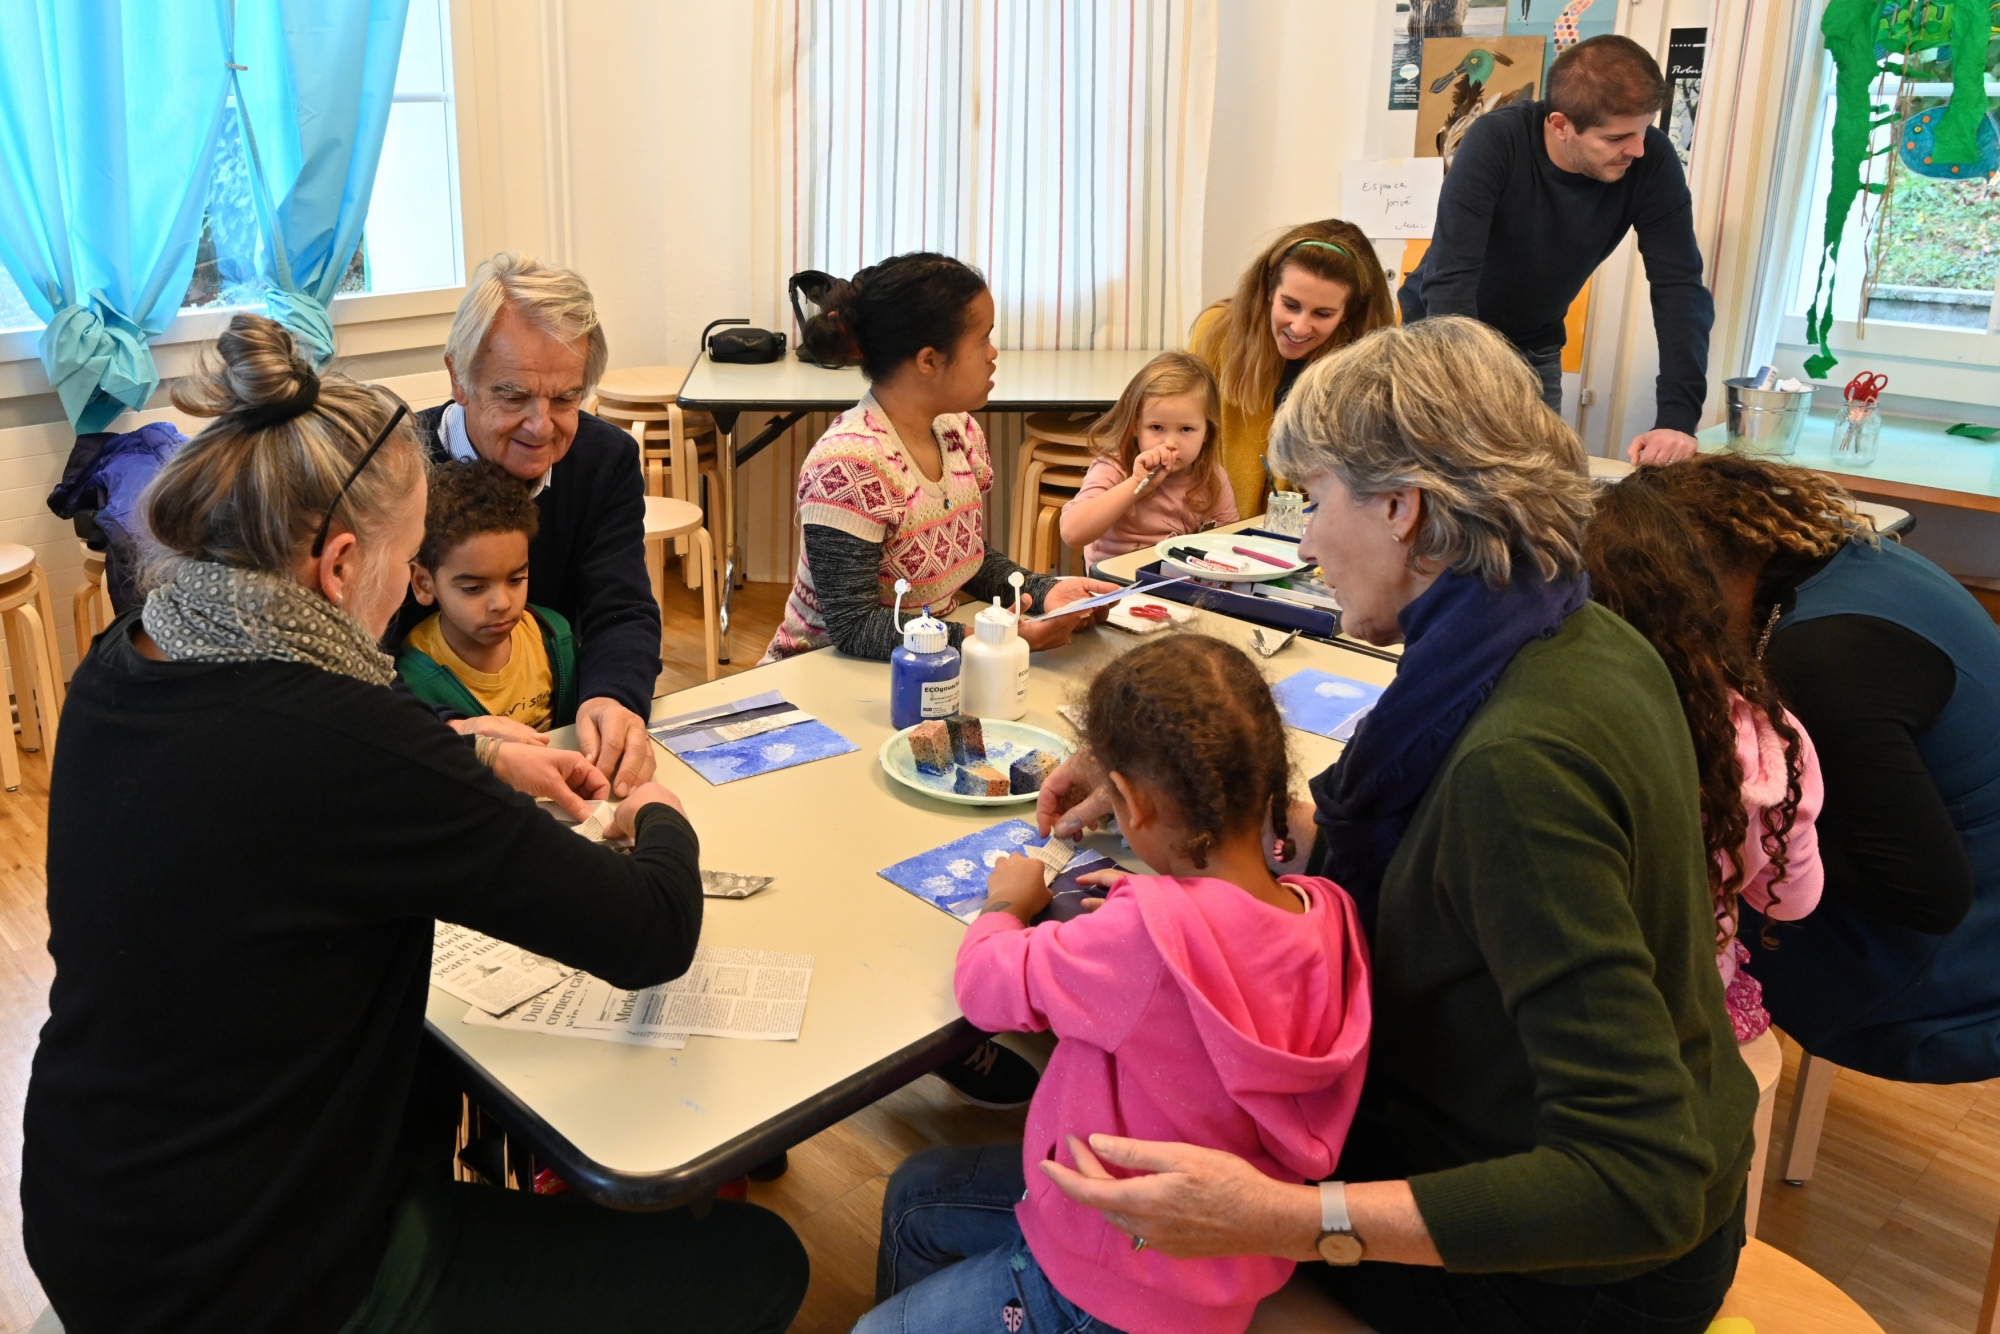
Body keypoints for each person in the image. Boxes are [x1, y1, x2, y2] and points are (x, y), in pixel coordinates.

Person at [21, 315, 808, 1334]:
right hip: (260, 1279)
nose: (405, 600)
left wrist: (478, 748)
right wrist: (657, 812)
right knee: (757, 1262)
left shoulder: (127, 658)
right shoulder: (348, 738)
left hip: (97, 1214)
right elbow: (647, 930)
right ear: (343, 564)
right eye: (408, 569)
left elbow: (274, 805)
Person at [1029, 316, 1756, 1334]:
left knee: (1093, 1130)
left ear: (1402, 508)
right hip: (1575, 1180)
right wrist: (1176, 791)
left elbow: (1640, 1179)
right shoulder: (1563, 631)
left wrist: (1286, 1217)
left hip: (1574, 1277)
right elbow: (1438, 867)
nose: (1307, 540)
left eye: (1314, 502)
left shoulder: (1518, 763)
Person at [861, 635, 1369, 1334]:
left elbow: (986, 987)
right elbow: (1215, 954)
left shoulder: (1142, 941)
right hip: (1220, 1264)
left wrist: (1007, 904)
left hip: (1107, 1284)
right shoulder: (1326, 913)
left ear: (1127, 802)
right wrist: (1158, 902)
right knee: (918, 1195)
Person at [764, 251, 1119, 1110]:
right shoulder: (848, 462)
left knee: (946, 857)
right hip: (831, 690)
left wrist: (1033, 589)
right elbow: (849, 624)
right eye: (983, 338)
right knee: (876, 866)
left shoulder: (960, 430)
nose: (996, 353)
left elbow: (970, 557)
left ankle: (953, 1012)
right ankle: (906, 1029)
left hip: (931, 676)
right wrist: (992, 629)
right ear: (928, 360)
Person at [1632, 455, 2000, 1083]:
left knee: (1666, 899)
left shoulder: (1820, 658)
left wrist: (1745, 831)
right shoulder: (1857, 556)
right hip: (1971, 877)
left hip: (1949, 973)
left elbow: (1931, 896)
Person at [400, 252, 660, 796]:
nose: (542, 427)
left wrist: (613, 696)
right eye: (513, 395)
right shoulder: (391, 472)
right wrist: (454, 732)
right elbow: (353, 653)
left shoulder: (604, 459)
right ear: (459, 377)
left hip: (557, 742)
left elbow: (622, 607)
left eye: (567, 398)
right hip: (425, 757)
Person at [1584, 478, 1825, 1044]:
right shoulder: (1771, 741)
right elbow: (1792, 902)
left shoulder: (1556, 714)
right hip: (1684, 1002)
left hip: (1557, 1002)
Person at [1398, 35, 1712, 466]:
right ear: (1561, 124)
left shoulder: (1650, 159)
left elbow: (1679, 287)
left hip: (1535, 341)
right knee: (1447, 482)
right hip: (1444, 334)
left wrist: (1678, 418)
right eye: (1618, 137)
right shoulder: (1496, 140)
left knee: (1541, 488)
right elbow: (1453, 276)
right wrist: (1467, 401)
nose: (1637, 149)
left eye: (1643, 130)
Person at [1189, 219, 1396, 518]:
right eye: (1290, 304)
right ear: (1270, 290)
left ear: (1347, 313)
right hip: (1216, 529)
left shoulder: (1365, 364)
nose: (1299, 327)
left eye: (1322, 313)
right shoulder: (1216, 333)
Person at [399, 458, 578, 732]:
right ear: (424, 583)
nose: (502, 604)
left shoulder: (554, 637)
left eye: (516, 579)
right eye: (473, 588)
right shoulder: (413, 676)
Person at [1058, 351, 1239, 572]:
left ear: (1207, 433)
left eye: (1186, 429)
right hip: (1116, 590)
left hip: (1180, 587)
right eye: (1156, 427)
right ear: (1135, 426)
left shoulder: (1213, 478)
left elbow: (1230, 543)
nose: (1171, 443)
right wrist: (1136, 484)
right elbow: (1072, 533)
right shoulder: (1114, 468)